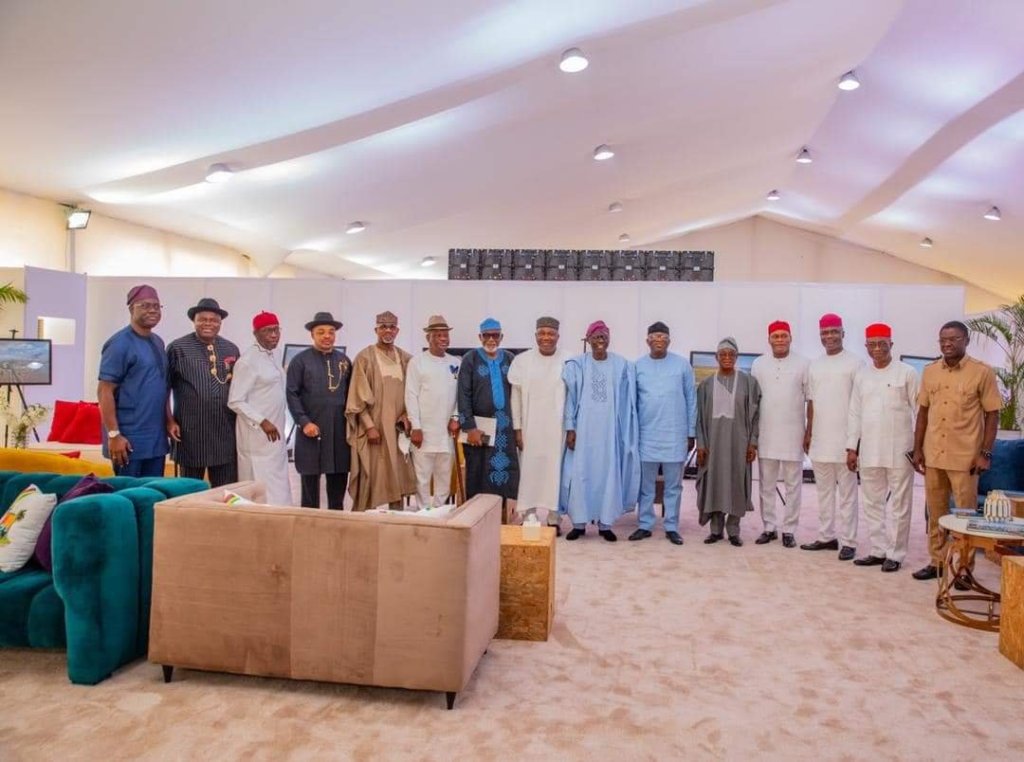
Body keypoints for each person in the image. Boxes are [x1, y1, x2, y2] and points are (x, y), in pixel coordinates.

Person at [910, 320, 1001, 581]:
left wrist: (985, 453)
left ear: (966, 341)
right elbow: (923, 412)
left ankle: (964, 569)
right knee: (936, 514)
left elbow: (992, 415)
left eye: (953, 339)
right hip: (934, 454)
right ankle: (937, 561)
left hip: (965, 458)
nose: (947, 344)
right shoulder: (930, 372)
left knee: (964, 516)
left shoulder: (981, 372)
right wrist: (917, 449)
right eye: (943, 340)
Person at [845, 323, 919, 573]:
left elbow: (919, 411)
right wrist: (851, 448)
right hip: (869, 450)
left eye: (882, 344)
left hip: (900, 450)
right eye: (872, 344)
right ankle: (878, 550)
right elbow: (854, 413)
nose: (877, 349)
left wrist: (919, 448)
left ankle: (895, 554)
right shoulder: (862, 375)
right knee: (872, 502)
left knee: (900, 504)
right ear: (866, 346)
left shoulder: (907, 373)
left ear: (891, 345)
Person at [560, 320, 639, 542]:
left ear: (609, 339)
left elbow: (628, 400)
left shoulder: (621, 365)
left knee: (608, 474)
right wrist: (570, 428)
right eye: (596, 337)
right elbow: (570, 399)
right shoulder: (577, 364)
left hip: (609, 433)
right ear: (588, 340)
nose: (600, 340)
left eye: (604, 336)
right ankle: (578, 524)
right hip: (583, 431)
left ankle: (605, 525)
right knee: (580, 473)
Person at [801, 313, 864, 560]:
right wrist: (808, 432)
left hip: (846, 441)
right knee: (824, 493)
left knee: (847, 494)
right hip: (820, 440)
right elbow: (811, 402)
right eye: (825, 333)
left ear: (843, 334)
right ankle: (826, 537)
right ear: (820, 336)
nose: (830, 337)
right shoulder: (815, 365)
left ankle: (849, 542)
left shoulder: (856, 363)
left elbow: (860, 405)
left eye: (834, 332)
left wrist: (855, 443)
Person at [628, 321, 696, 546]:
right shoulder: (637, 366)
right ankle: (645, 524)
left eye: (663, 337)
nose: (659, 340)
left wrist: (691, 432)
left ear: (669, 341)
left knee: (673, 486)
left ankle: (672, 526)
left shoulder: (682, 365)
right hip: (646, 435)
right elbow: (632, 403)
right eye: (654, 337)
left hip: (675, 435)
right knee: (645, 486)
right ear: (647, 341)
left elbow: (691, 399)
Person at [97, 284, 172, 477]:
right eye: (145, 305)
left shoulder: (158, 342)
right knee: (129, 492)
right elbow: (104, 391)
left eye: (156, 306)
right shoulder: (119, 344)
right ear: (131, 309)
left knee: (154, 491)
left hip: (155, 439)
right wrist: (114, 435)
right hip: (128, 440)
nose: (152, 310)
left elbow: (162, 386)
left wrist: (169, 421)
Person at [346, 311, 416, 511]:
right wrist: (369, 427)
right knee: (371, 474)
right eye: (383, 327)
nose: (388, 331)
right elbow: (357, 396)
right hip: (374, 428)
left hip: (397, 429)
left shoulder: (406, 359)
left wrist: (407, 414)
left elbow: (414, 392)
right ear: (376, 330)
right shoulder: (365, 357)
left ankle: (396, 519)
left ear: (397, 330)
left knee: (397, 474)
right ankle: (363, 521)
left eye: (392, 327)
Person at [166, 298, 240, 486]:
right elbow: (164, 388)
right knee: (189, 488)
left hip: (224, 430)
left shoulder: (231, 348)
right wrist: (169, 421)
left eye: (213, 320)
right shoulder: (178, 348)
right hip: (190, 431)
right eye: (203, 319)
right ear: (194, 321)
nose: (208, 323)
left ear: (220, 323)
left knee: (226, 488)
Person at [695, 337, 761, 546]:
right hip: (713, 446)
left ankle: (733, 530)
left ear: (736, 357)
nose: (727, 358)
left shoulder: (749, 383)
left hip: (738, 445)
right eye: (722, 354)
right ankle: (715, 531)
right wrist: (701, 444)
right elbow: (699, 418)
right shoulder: (706, 385)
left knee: (736, 484)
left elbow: (756, 416)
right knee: (714, 484)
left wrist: (752, 442)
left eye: (731, 354)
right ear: (716, 357)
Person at [750, 320, 809, 548]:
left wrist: (808, 432)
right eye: (776, 336)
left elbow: (810, 399)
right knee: (766, 484)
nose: (780, 340)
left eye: (784, 335)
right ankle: (769, 527)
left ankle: (789, 530)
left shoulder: (804, 363)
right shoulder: (758, 364)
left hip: (794, 434)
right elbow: (753, 401)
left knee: (794, 485)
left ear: (791, 338)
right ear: (769, 339)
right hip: (766, 433)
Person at [286, 311, 352, 509]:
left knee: (337, 490)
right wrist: (304, 422)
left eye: (331, 332)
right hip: (311, 431)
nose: (327, 336)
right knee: (309, 492)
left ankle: (336, 524)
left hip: (339, 433)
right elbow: (292, 394)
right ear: (312, 335)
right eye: (321, 332)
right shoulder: (300, 361)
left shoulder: (344, 361)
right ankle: (309, 525)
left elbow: (352, 396)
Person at [508, 316, 568, 535]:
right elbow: (515, 398)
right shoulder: (522, 361)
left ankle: (554, 517)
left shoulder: (568, 360)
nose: (546, 338)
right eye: (542, 333)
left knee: (555, 472)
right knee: (529, 471)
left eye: (551, 334)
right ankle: (529, 515)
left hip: (557, 429)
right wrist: (517, 428)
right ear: (535, 335)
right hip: (529, 428)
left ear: (558, 336)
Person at [457, 318, 519, 515]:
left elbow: (518, 393)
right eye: (487, 335)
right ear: (480, 337)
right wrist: (469, 427)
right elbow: (463, 394)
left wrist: (519, 428)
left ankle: (502, 517)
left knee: (506, 472)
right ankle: (476, 518)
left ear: (501, 337)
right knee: (479, 471)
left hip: (505, 429)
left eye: (495, 335)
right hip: (479, 430)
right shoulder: (470, 359)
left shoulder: (509, 359)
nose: (491, 339)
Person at [227, 311, 291, 505]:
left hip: (275, 434)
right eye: (268, 331)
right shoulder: (247, 361)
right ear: (256, 334)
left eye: (276, 330)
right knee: (260, 483)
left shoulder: (274, 355)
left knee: (277, 481)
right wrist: (262, 421)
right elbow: (235, 401)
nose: (274, 335)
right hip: (256, 435)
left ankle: (282, 516)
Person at [405, 315, 460, 509]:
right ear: (428, 337)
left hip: (447, 431)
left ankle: (440, 511)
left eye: (445, 335)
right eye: (438, 335)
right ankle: (424, 512)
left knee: (444, 475)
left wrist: (455, 417)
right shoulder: (417, 362)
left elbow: (460, 395)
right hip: (424, 431)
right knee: (422, 477)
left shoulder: (456, 363)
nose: (443, 338)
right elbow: (411, 395)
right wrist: (416, 427)